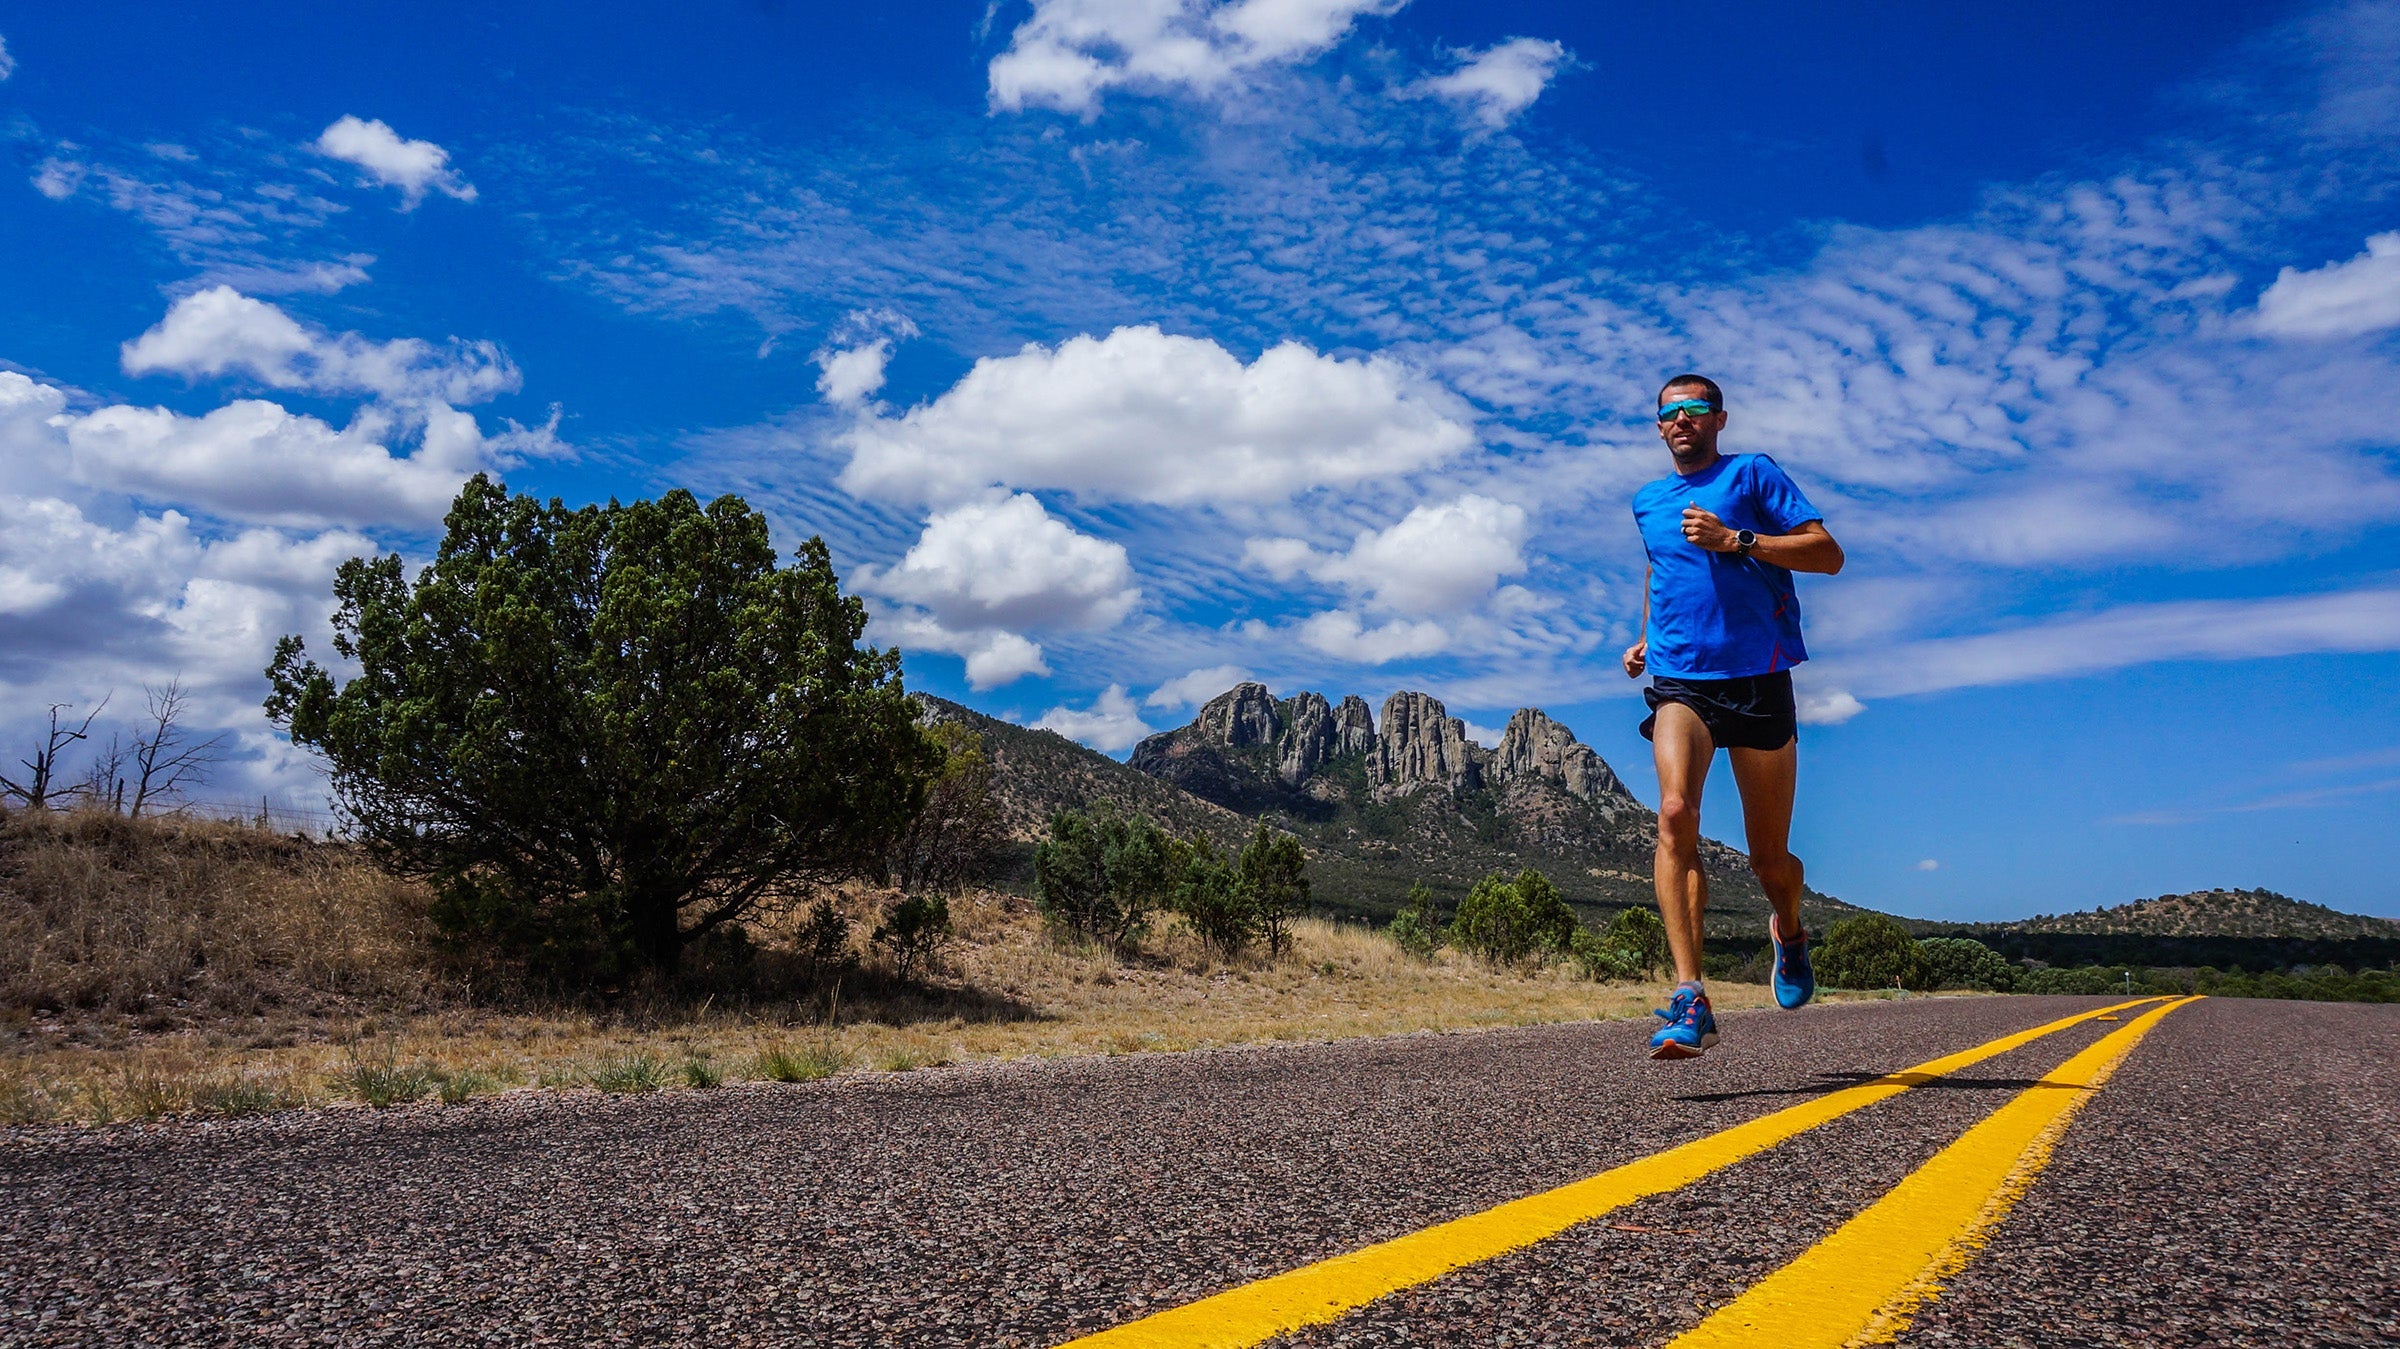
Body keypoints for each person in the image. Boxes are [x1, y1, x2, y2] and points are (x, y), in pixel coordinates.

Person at [1623, 374, 1844, 1059]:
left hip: (1759, 679)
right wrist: (1645, 638)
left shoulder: (1752, 474)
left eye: (1694, 409)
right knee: (1673, 811)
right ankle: (1691, 994)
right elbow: (1661, 572)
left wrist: (1738, 539)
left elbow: (1826, 554)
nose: (1681, 419)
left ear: (1718, 418)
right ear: (1659, 426)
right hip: (1681, 681)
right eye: (1669, 412)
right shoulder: (1648, 501)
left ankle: (1789, 928)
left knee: (1769, 859)